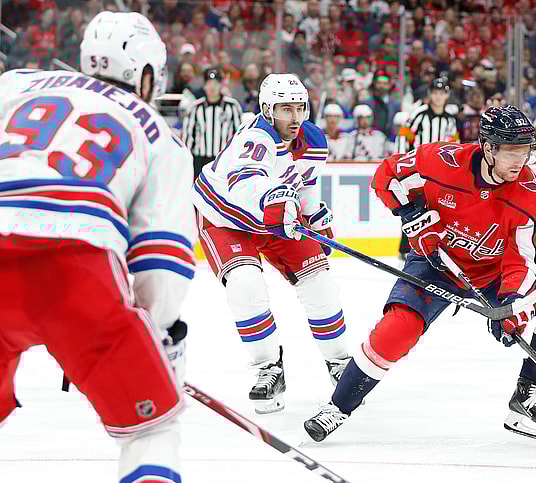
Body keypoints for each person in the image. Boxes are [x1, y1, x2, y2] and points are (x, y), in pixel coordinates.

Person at [303, 105, 536, 444]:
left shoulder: (531, 196)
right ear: (489, 147)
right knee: (398, 328)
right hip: (436, 264)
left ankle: (527, 397)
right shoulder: (441, 160)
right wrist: (411, 214)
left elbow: (524, 260)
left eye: (525, 151)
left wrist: (512, 304)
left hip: (495, 274)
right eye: (512, 151)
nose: (519, 161)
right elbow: (387, 176)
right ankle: (338, 407)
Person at [0, 11, 195, 482]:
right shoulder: (157, 131)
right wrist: (158, 337)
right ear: (146, 74)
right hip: (75, 269)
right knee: (151, 430)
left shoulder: (15, 84)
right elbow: (161, 260)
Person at [192, 73, 352, 414]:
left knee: (320, 284)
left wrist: (314, 213)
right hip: (225, 217)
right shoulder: (255, 138)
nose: (294, 118)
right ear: (267, 110)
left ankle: (340, 364)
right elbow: (246, 182)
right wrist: (275, 198)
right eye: (285, 109)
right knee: (245, 285)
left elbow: (303, 183)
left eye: (300, 108)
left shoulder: (315, 140)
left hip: (275, 215)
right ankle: (269, 368)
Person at [394, 77, 459, 260]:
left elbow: (454, 145)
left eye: (442, 93)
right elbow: (404, 136)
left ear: (447, 95)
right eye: (435, 93)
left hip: (440, 173)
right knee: (415, 207)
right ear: (430, 94)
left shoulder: (449, 119)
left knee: (438, 208)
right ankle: (406, 248)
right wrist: (402, 162)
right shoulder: (420, 114)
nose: (438, 97)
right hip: (418, 169)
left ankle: (432, 247)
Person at [182, 67, 244, 179]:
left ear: (221, 85)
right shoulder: (195, 107)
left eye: (215, 83)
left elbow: (239, 135)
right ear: (204, 85)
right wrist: (186, 160)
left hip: (224, 160)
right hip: (200, 159)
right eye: (209, 83)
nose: (212, 87)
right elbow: (188, 136)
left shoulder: (232, 106)